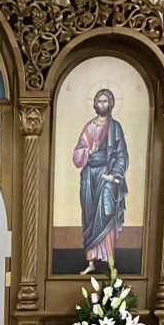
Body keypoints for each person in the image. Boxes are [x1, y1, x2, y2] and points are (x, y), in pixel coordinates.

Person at [72, 88, 128, 275]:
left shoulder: (115, 127)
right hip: (89, 178)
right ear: (95, 104)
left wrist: (115, 174)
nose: (102, 104)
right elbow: (77, 156)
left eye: (106, 101)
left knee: (107, 215)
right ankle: (91, 263)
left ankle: (111, 263)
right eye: (100, 101)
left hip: (107, 176)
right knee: (89, 219)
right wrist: (90, 151)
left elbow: (122, 154)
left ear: (110, 104)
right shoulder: (89, 128)